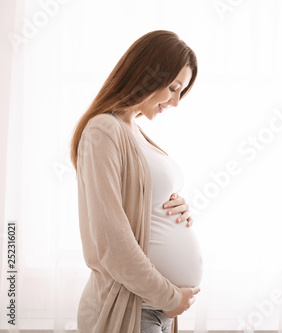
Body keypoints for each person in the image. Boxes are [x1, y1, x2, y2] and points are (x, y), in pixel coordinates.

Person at [69, 30, 202, 333]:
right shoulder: (103, 130)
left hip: (155, 309)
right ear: (148, 74)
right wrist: (169, 296)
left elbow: (141, 204)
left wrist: (175, 206)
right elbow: (111, 242)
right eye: (173, 87)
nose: (176, 102)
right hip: (133, 308)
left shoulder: (134, 130)